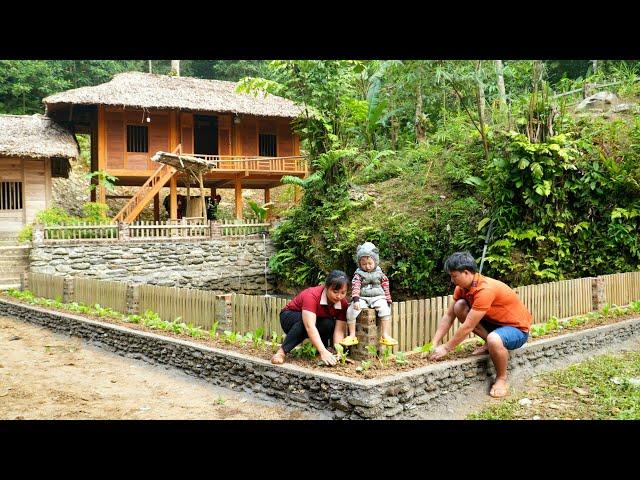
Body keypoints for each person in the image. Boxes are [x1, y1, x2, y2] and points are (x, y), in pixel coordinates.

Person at [429, 251, 532, 398]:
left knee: (494, 340)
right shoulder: (462, 288)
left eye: (454, 276)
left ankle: (501, 379)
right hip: (495, 324)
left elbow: (469, 326)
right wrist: (435, 342)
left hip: (517, 330)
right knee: (459, 306)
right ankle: (490, 344)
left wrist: (446, 348)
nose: (452, 280)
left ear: (466, 272)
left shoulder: (485, 289)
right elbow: (449, 315)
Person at [271, 270, 349, 366]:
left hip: (314, 320)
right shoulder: (312, 295)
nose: (339, 296)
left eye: (343, 293)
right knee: (304, 323)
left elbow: (339, 331)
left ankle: (321, 352)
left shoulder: (343, 304)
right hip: (290, 317)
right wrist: (323, 351)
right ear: (326, 287)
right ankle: (281, 352)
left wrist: (339, 354)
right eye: (335, 291)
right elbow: (309, 326)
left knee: (329, 323)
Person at [335, 242, 397, 347]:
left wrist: (388, 299)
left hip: (378, 296)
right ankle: (352, 335)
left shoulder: (380, 273)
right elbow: (355, 286)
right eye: (364, 264)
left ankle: (385, 335)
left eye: (370, 263)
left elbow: (385, 286)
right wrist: (356, 300)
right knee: (351, 311)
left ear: (375, 261)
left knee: (385, 310)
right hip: (362, 297)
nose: (367, 266)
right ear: (359, 263)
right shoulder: (358, 274)